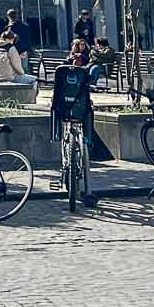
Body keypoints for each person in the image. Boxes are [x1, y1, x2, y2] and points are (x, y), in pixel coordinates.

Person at [48, 39, 106, 203]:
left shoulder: (66, 69)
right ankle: (86, 187)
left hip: (64, 106)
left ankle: (69, 159)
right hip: (80, 106)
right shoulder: (76, 67)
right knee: (85, 121)